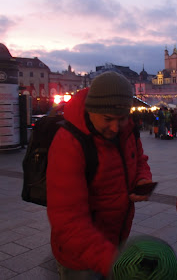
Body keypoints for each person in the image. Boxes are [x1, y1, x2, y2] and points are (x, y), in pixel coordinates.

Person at [46, 71, 153, 280]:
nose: (115, 127)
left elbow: (139, 159)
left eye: (121, 119)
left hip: (115, 242)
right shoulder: (69, 143)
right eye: (108, 119)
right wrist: (112, 261)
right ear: (91, 109)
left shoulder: (127, 129)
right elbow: (67, 221)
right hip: (80, 259)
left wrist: (142, 178)